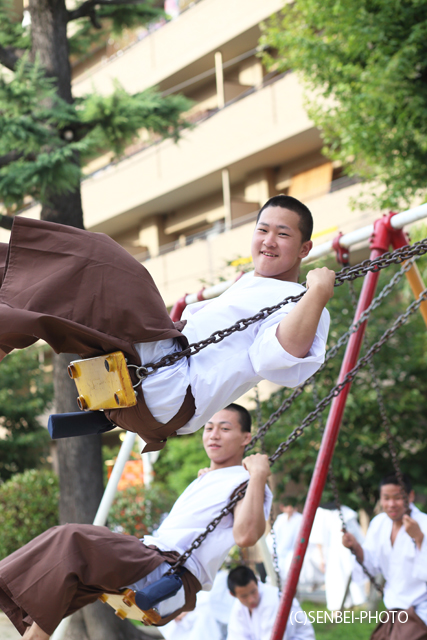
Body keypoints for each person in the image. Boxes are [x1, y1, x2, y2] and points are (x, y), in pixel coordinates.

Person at [0, 195, 334, 451]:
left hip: (173, 389)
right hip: (145, 386)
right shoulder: (249, 285)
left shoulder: (301, 302)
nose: (268, 241)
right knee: (61, 293)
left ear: (305, 248)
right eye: (262, 230)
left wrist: (316, 294)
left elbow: (275, 361)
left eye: (283, 234)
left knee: (106, 262)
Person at [0, 404, 273, 640]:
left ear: (245, 437)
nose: (213, 434)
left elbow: (246, 536)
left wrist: (259, 474)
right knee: (72, 578)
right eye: (209, 427)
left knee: (71, 538)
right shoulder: (208, 478)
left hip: (169, 569)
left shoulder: (246, 482)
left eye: (224, 429)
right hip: (150, 555)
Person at [342, 473, 427, 639]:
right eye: (386, 498)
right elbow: (371, 564)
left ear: (410, 496)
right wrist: (356, 547)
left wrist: (419, 539)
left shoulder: (423, 524)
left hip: (421, 609)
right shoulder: (379, 523)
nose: (391, 504)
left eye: (397, 498)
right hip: (394, 608)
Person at [226, 565, 315, 640]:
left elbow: (273, 637)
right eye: (244, 596)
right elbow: (236, 636)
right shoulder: (238, 606)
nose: (251, 599)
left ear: (257, 581)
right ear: (233, 594)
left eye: (253, 592)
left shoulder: (272, 599)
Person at [266, 497, 302, 582]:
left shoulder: (299, 519)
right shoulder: (281, 519)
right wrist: (271, 550)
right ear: (283, 507)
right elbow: (273, 534)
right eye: (287, 506)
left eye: (291, 506)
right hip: (279, 551)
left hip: (292, 552)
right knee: (275, 575)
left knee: (290, 576)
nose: (289, 509)